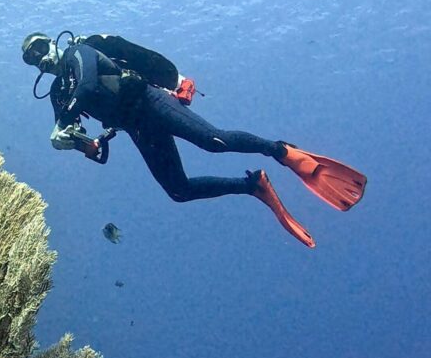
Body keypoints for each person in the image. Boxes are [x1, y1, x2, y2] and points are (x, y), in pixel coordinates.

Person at [21, 31, 367, 247]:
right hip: (137, 127)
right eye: (31, 58)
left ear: (51, 41)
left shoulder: (76, 52)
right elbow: (83, 140)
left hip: (149, 101)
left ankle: (281, 151)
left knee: (212, 140)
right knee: (178, 191)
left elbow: (89, 83)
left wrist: (65, 123)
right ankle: (254, 186)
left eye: (39, 47)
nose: (39, 57)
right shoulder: (58, 93)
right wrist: (73, 141)